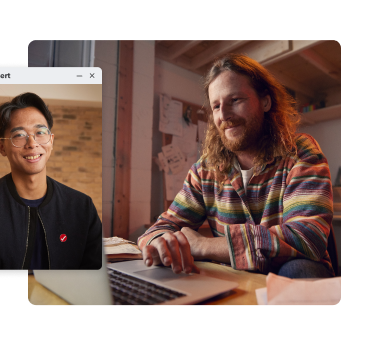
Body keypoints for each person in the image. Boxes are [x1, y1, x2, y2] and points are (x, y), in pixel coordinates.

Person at [139, 54, 335, 278]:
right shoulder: (204, 170)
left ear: (265, 101)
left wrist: (204, 246)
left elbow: (307, 238)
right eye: (216, 106)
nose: (223, 115)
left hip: (291, 279)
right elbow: (162, 227)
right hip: (231, 280)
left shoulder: (300, 152)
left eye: (235, 100)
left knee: (301, 269)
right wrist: (160, 242)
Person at [0, 92, 102, 270]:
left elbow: (94, 274)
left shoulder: (81, 207)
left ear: (51, 141)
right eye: (19, 135)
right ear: (1, 147)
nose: (32, 143)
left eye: (40, 132)